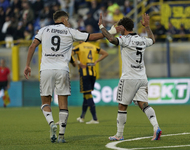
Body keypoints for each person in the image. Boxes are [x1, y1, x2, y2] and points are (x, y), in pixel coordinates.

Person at [23, 10, 106, 143]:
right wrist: (109, 33)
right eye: (67, 20)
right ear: (63, 20)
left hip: (46, 69)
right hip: (62, 70)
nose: (68, 22)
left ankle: (51, 123)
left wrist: (27, 65)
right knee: (63, 104)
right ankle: (61, 135)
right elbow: (91, 37)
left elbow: (33, 46)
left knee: (45, 102)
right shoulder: (70, 31)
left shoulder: (44, 30)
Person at [98, 13, 162, 141]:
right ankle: (156, 127)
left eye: (119, 26)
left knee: (122, 106)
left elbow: (111, 39)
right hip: (142, 77)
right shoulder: (142, 39)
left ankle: (119, 134)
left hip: (129, 78)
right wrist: (147, 27)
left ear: (122, 27)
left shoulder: (125, 39)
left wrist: (101, 26)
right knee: (144, 104)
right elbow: (152, 40)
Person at [72, 41, 108, 124]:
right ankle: (82, 117)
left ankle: (95, 118)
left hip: (84, 73)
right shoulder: (93, 46)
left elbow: (69, 54)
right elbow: (105, 53)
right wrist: (96, 61)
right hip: (93, 73)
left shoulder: (79, 47)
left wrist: (78, 62)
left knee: (88, 94)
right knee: (86, 94)